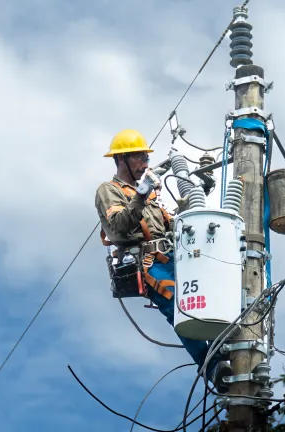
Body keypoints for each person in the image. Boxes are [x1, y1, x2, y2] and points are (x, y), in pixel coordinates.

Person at [94, 129, 232, 393]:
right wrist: (141, 196)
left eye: (146, 157)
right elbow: (119, 226)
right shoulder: (109, 190)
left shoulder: (150, 191)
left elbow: (172, 224)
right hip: (148, 262)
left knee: (211, 293)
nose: (145, 163)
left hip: (176, 255)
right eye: (139, 157)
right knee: (177, 305)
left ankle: (227, 344)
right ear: (122, 159)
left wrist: (197, 196)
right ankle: (211, 366)